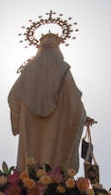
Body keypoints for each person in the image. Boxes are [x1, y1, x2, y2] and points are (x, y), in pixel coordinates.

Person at [7, 32, 87, 173]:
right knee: (51, 160)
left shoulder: (29, 68)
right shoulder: (61, 67)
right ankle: (51, 181)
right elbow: (73, 97)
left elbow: (13, 96)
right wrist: (80, 115)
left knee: (31, 164)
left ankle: (31, 181)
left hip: (31, 119)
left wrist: (18, 116)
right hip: (55, 119)